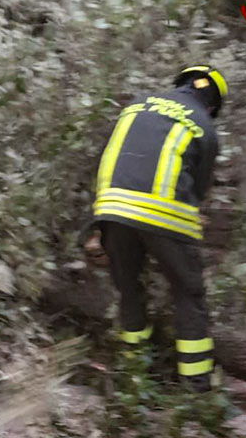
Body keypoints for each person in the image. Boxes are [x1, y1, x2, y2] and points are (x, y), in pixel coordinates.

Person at [91, 65, 225, 393]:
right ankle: (196, 388)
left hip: (112, 209)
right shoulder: (204, 125)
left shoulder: (137, 104)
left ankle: (136, 374)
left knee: (129, 289)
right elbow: (198, 190)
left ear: (180, 85)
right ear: (211, 105)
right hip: (164, 214)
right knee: (188, 292)